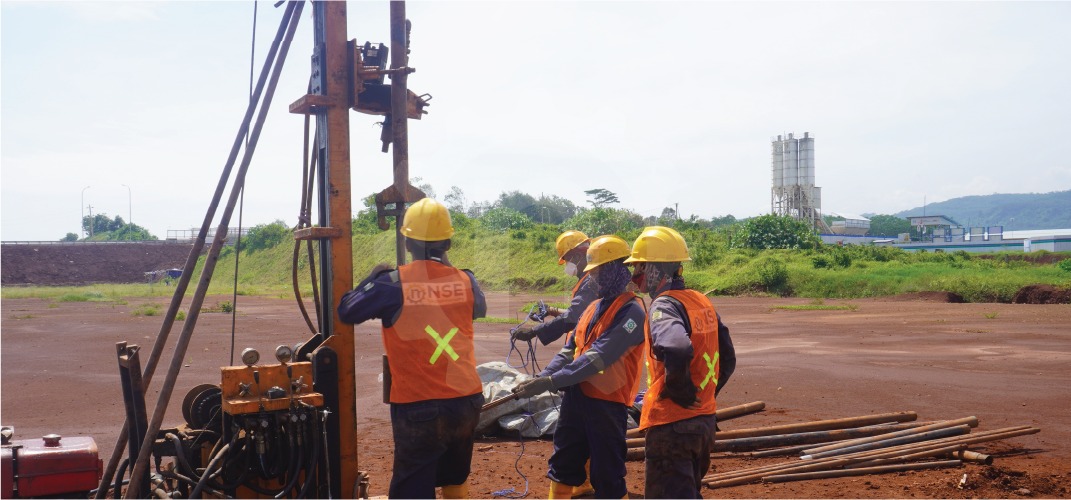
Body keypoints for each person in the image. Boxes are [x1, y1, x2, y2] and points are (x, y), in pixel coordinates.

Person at [337, 198, 486, 499]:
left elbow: (347, 311)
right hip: (466, 401)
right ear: (447, 242)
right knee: (454, 477)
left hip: (421, 406)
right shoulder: (467, 281)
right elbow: (476, 310)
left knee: (412, 488)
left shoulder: (392, 283)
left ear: (407, 241)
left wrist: (374, 277)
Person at [512, 235, 647, 499]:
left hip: (608, 405)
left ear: (615, 270)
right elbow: (570, 350)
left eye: (597, 272)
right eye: (592, 273)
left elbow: (597, 358)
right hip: (577, 400)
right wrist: (542, 377)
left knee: (607, 474)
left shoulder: (633, 312)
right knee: (563, 464)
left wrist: (551, 383)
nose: (593, 278)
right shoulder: (593, 307)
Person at [624, 226, 736, 499]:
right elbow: (728, 358)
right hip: (703, 424)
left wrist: (681, 390)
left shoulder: (664, 306)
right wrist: (705, 394)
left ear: (654, 268)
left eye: (638, 266)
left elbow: (676, 346)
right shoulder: (700, 301)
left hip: (672, 426)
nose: (634, 275)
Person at [511, 230, 598, 346]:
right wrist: (551, 310)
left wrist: (535, 331)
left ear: (577, 256)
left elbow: (574, 316)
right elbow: (580, 312)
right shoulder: (589, 278)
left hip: (591, 346)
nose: (567, 265)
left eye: (567, 260)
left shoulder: (590, 282)